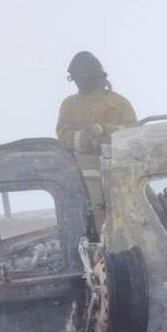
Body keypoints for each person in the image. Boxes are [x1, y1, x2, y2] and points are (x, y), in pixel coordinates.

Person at [55, 51, 137, 229]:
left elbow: (132, 134)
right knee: (96, 218)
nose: (81, 82)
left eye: (85, 77)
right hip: (84, 176)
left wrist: (104, 131)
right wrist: (85, 139)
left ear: (97, 76)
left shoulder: (118, 103)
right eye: (77, 78)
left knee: (132, 212)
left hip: (120, 172)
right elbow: (63, 135)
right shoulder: (69, 105)